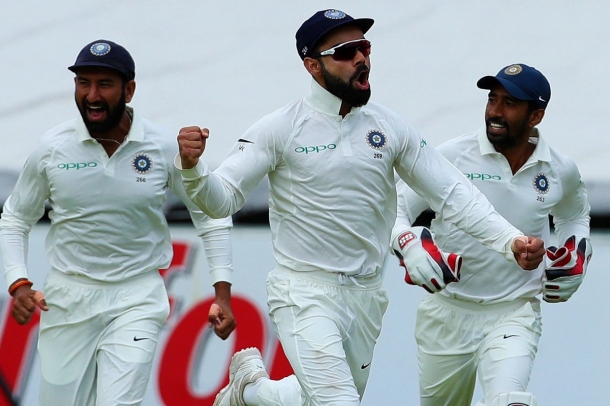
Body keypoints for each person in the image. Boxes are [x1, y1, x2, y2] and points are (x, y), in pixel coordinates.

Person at [177, 10, 545, 406]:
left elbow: (454, 192)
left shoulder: (389, 127)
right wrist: (193, 167)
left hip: (366, 295)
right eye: (345, 52)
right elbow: (221, 199)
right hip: (303, 292)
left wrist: (510, 240)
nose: (360, 59)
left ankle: (251, 391)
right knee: (339, 401)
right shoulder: (279, 128)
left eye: (364, 48)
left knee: (313, 398)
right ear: (312, 66)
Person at [0, 39, 235, 406]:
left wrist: (222, 292)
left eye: (104, 84)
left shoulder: (163, 146)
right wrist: (18, 282)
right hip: (68, 298)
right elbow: (16, 217)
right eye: (84, 83)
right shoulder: (53, 147)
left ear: (129, 90)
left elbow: (210, 214)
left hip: (136, 297)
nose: (92, 95)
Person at [391, 63, 592, 406]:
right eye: (492, 99)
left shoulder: (560, 169)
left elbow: (574, 215)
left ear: (536, 116)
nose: (495, 112)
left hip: (514, 311)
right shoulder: (452, 156)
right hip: (446, 312)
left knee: (509, 400)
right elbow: (395, 210)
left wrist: (576, 255)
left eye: (509, 103)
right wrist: (409, 245)